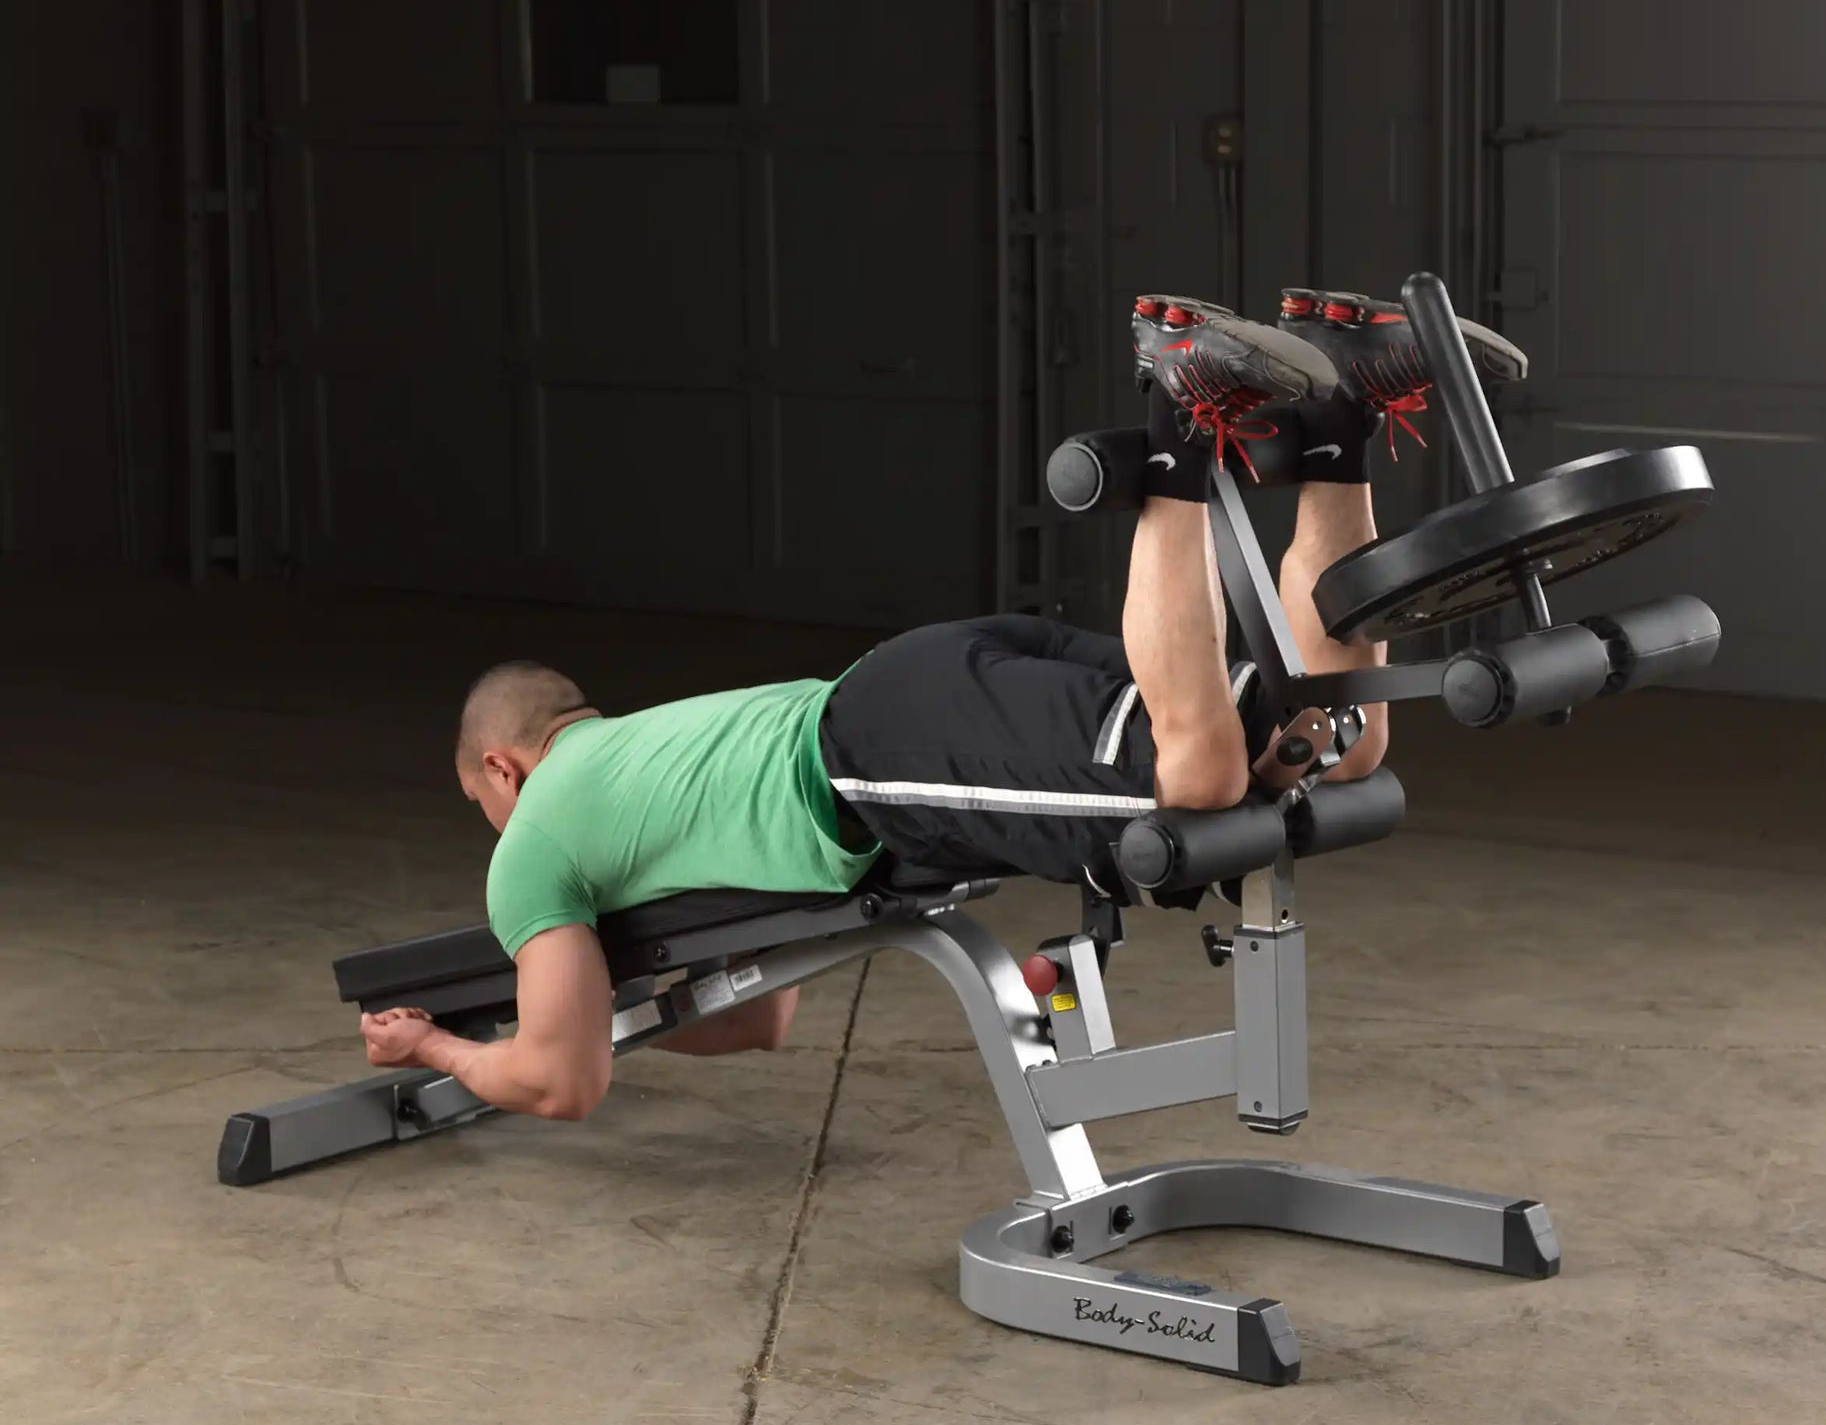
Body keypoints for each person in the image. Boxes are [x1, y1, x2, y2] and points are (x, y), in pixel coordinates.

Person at [359, 292, 1525, 1122]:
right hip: (911, 684)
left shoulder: (538, 843)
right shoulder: (639, 757)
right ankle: (1339, 416)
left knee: (1194, 780)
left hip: (876, 747)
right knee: (1326, 737)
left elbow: (563, 1084)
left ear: (503, 769)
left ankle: (1180, 407)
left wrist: (443, 1047)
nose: (495, 837)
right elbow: (757, 1015)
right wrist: (618, 1008)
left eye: (482, 809)